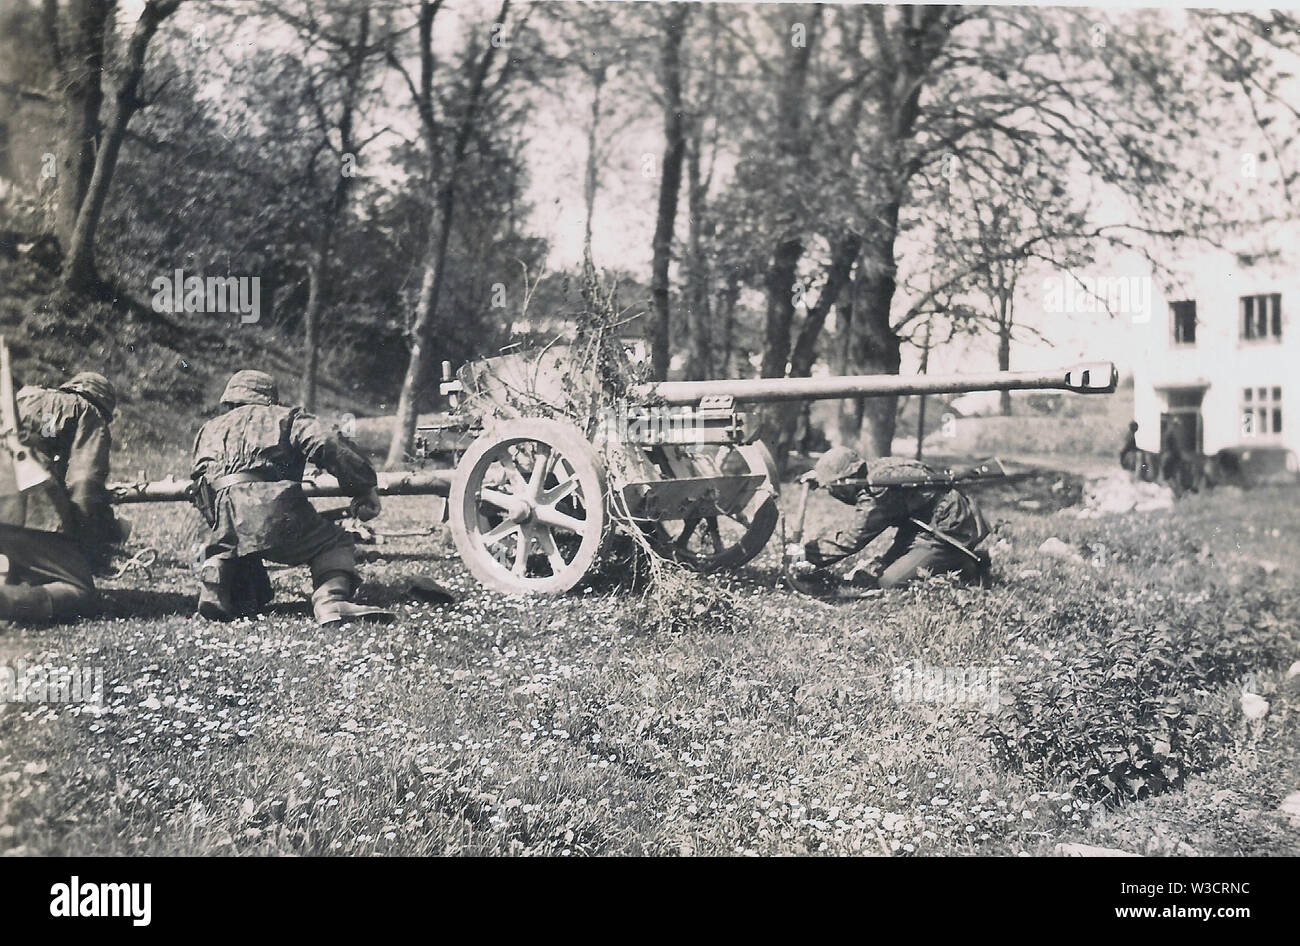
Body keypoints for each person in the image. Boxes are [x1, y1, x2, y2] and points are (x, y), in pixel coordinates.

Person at [191, 370, 392, 625]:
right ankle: (331, 601)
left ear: (230, 400)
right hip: (273, 505)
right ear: (269, 398)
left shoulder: (208, 429)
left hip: (222, 514)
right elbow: (328, 442)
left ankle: (217, 572)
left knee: (237, 558)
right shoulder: (286, 417)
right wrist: (363, 486)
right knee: (334, 541)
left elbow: (198, 482)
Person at [0, 371, 123, 622]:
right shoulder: (88, 412)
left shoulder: (25, 397)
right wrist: (85, 536)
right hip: (27, 496)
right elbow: (85, 483)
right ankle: (7, 604)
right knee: (79, 589)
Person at [787, 446, 991, 590]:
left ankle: (967, 564)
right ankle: (949, 559)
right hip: (921, 524)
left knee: (890, 582)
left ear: (846, 478)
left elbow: (852, 539)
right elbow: (851, 489)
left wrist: (805, 554)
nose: (830, 490)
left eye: (833, 486)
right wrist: (823, 476)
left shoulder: (879, 492)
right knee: (879, 570)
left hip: (948, 528)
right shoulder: (873, 470)